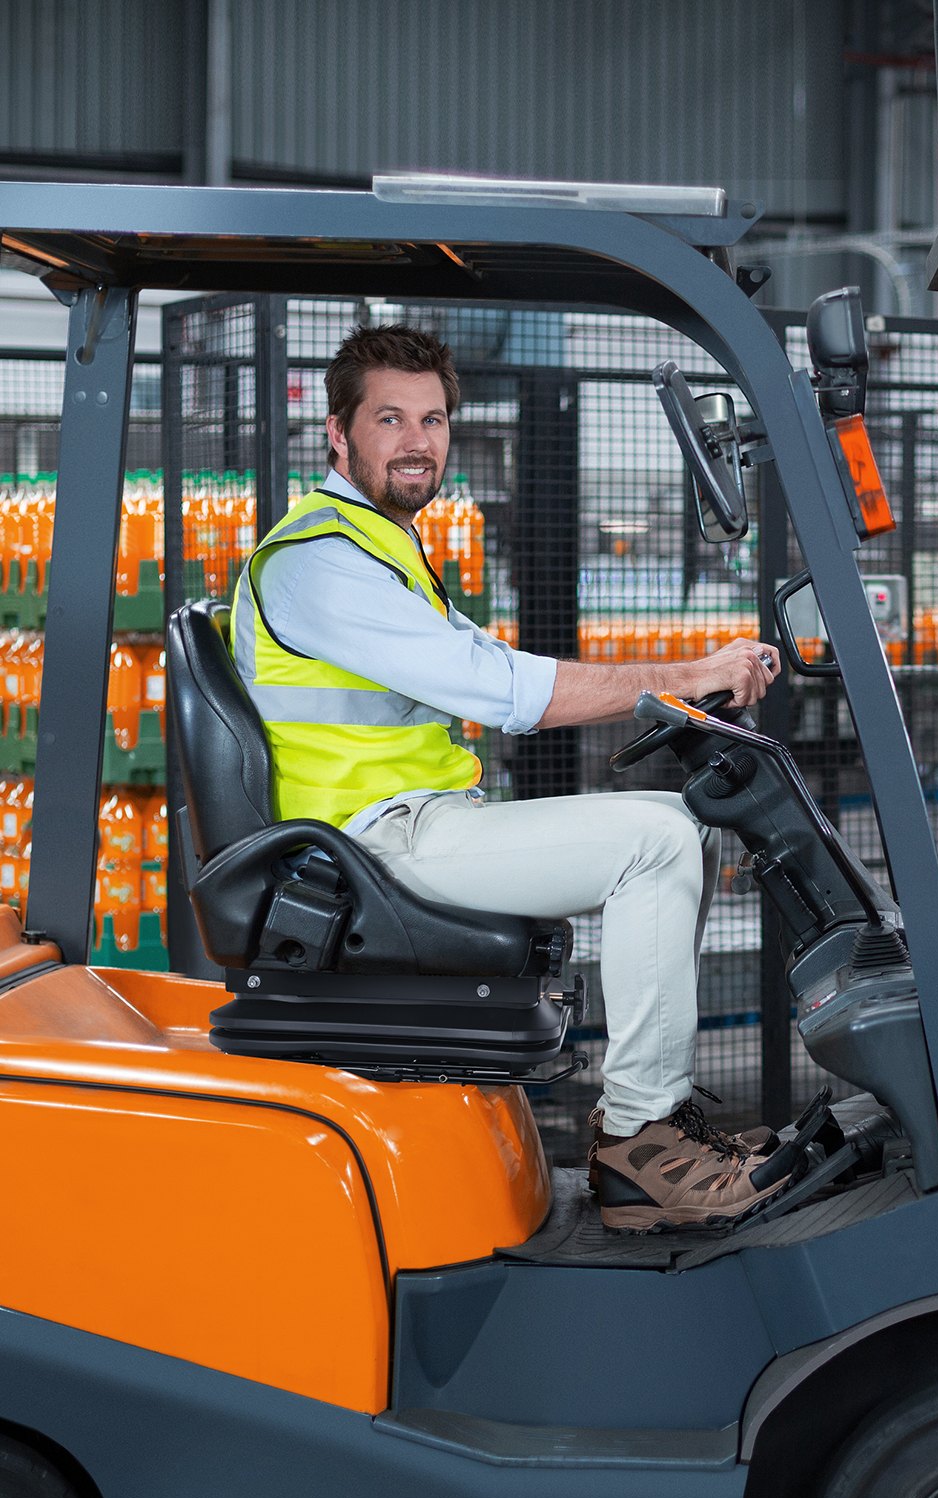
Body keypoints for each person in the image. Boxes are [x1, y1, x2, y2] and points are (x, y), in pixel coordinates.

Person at [230, 323, 790, 1232]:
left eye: (434, 420)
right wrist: (687, 676)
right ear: (338, 434)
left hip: (404, 827)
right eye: (390, 419)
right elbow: (504, 688)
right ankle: (643, 1139)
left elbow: (488, 661)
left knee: (669, 820)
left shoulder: (384, 547)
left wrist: (677, 682)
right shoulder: (319, 563)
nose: (418, 442)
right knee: (654, 841)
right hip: (367, 847)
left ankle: (650, 1124)